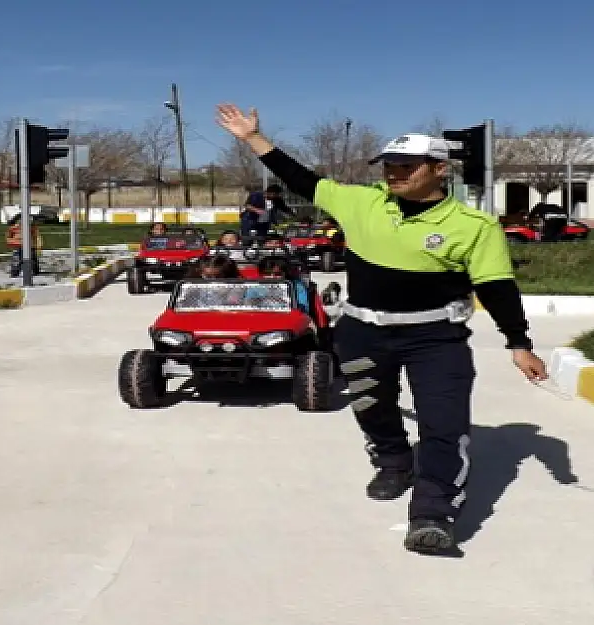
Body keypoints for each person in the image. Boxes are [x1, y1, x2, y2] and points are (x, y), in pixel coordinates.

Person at [216, 103, 547, 555]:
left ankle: (432, 512)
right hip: (362, 332)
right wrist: (253, 138)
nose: (394, 173)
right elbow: (300, 178)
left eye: (407, 167)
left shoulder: (474, 226)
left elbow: (497, 287)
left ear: (439, 170)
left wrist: (519, 343)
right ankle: (393, 461)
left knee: (444, 426)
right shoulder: (362, 201)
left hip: (436, 339)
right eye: (389, 165)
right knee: (373, 406)